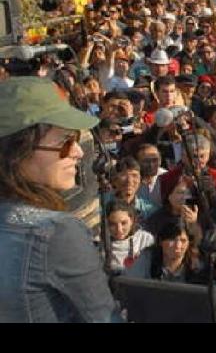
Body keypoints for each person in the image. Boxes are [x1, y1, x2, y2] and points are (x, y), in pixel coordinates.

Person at [0, 77, 119, 322]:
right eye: (65, 142)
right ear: (19, 151)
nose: (77, 152)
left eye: (76, 139)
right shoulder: (56, 232)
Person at [105, 200, 155, 274]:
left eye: (124, 223)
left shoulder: (145, 239)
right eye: (113, 224)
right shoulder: (103, 245)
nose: (119, 229)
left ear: (131, 220)